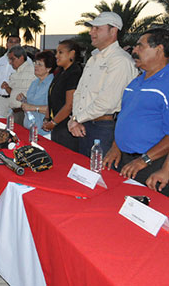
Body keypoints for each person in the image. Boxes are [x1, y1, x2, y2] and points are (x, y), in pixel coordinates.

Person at [98, 28, 169, 196]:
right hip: (126, 161)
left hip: (151, 166)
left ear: (159, 49)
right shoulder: (136, 81)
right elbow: (125, 118)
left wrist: (145, 161)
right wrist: (116, 147)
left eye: (140, 46)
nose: (134, 51)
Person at [68, 12, 138, 156]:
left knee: (102, 175)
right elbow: (80, 92)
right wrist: (76, 119)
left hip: (105, 127)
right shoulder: (94, 58)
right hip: (84, 125)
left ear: (113, 31)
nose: (92, 32)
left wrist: (77, 119)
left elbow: (107, 101)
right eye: (92, 28)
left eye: (97, 28)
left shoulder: (120, 61)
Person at [42, 40, 83, 151]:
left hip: (66, 128)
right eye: (57, 52)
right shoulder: (60, 72)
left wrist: (54, 122)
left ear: (72, 54)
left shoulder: (74, 73)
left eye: (60, 52)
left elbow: (69, 105)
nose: (56, 56)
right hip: (56, 126)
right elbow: (52, 97)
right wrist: (47, 119)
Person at [16, 51, 55, 137]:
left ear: (48, 68)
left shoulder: (53, 85)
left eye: (40, 64)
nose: (35, 66)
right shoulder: (34, 82)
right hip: (29, 130)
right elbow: (32, 102)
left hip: (43, 133)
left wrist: (33, 108)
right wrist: (23, 99)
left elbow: (54, 109)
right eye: (35, 63)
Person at [0, 36, 31, 116]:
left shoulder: (26, 61)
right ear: (7, 44)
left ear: (20, 44)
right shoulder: (1, 61)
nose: (13, 44)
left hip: (17, 101)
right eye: (11, 42)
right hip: (2, 100)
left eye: (16, 42)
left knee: (15, 126)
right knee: (2, 125)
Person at [2, 45, 36, 126]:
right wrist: (7, 88)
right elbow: (13, 93)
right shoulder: (16, 72)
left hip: (24, 113)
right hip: (14, 111)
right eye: (9, 59)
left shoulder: (33, 70)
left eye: (12, 59)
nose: (10, 62)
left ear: (21, 57)